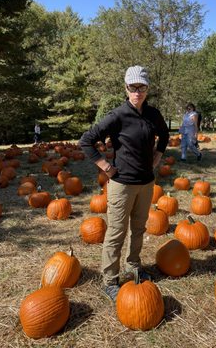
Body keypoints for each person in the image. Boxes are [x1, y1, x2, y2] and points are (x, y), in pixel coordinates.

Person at [79, 65, 169, 302]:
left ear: (147, 89)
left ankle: (134, 265)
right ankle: (110, 280)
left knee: (138, 228)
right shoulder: (117, 115)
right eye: (133, 87)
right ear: (126, 88)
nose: (137, 91)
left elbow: (165, 134)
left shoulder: (153, 114)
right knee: (116, 232)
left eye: (142, 87)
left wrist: (158, 156)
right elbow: (86, 141)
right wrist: (105, 166)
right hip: (122, 184)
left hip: (146, 183)